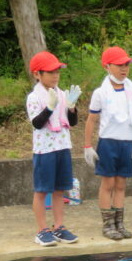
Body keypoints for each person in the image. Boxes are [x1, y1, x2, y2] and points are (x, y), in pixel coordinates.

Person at [84, 46, 132, 240]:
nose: (124, 68)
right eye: (119, 65)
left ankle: (119, 222)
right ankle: (107, 224)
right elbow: (91, 119)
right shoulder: (101, 92)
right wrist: (87, 146)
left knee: (121, 184)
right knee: (108, 183)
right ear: (107, 66)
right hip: (108, 142)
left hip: (126, 142)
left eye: (126, 64)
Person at [26, 51, 80, 246]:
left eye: (57, 71)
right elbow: (37, 124)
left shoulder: (62, 94)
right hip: (44, 151)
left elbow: (72, 122)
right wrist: (49, 107)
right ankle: (42, 230)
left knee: (60, 190)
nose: (55, 75)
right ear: (37, 74)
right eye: (50, 72)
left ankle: (59, 227)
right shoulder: (34, 97)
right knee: (42, 191)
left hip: (63, 146)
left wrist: (72, 107)